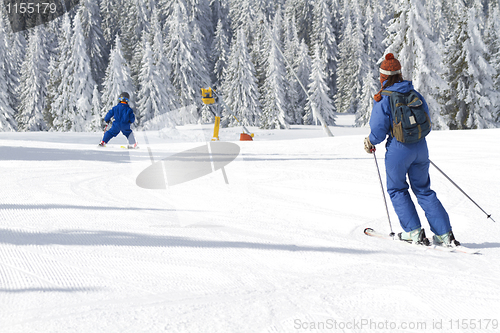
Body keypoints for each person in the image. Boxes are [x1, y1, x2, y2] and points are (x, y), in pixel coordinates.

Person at [364, 53, 460, 247]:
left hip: (398, 149)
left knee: (397, 189)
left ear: (383, 77)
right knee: (424, 190)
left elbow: (379, 130)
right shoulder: (414, 93)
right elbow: (427, 121)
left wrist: (370, 141)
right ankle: (444, 234)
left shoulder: (384, 98)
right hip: (421, 147)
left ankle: (414, 232)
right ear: (399, 74)